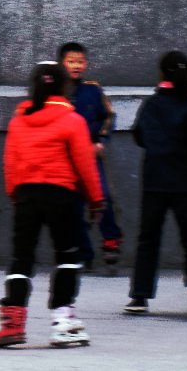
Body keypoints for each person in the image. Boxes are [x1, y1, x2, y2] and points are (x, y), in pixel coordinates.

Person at [0, 62, 104, 349]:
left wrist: (14, 193)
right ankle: (63, 322)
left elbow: (10, 162)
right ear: (65, 86)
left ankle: (12, 323)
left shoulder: (19, 120)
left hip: (26, 195)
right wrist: (96, 199)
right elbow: (85, 163)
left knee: (21, 258)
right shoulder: (72, 120)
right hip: (61, 197)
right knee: (66, 256)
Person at [124, 50, 187, 320]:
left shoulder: (153, 104)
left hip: (154, 180)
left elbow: (140, 136)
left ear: (161, 73)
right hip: (184, 183)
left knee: (148, 239)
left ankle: (139, 296)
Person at [60, 41, 124, 268]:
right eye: (71, 61)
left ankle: (111, 239)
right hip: (65, 158)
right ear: (62, 63)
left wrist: (101, 140)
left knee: (102, 196)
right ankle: (83, 251)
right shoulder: (57, 92)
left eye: (80, 61)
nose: (76, 66)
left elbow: (108, 116)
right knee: (73, 204)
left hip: (90, 154)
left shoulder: (93, 90)